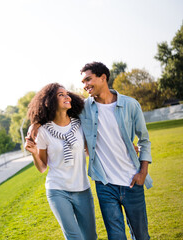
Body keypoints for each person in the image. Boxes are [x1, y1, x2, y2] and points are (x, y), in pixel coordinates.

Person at [79, 62, 152, 240]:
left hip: (132, 181)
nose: (85, 85)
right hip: (105, 184)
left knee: (141, 235)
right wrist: (34, 127)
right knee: (116, 236)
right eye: (83, 82)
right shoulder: (83, 108)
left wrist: (143, 172)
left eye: (88, 79)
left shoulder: (130, 104)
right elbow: (54, 108)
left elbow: (144, 140)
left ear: (103, 77)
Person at [25, 83, 97, 240]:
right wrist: (34, 153)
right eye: (61, 94)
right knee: (74, 237)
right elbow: (42, 167)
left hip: (82, 189)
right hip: (57, 190)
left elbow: (91, 149)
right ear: (50, 101)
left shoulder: (80, 124)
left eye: (67, 94)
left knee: (90, 237)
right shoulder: (43, 131)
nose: (67, 97)